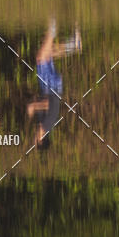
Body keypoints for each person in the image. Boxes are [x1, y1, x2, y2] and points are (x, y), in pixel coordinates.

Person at [26, 19, 82, 150]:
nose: (33, 138)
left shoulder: (43, 125)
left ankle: (73, 44)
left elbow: (45, 105)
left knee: (48, 54)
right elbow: (48, 104)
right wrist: (33, 106)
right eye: (34, 142)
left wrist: (35, 101)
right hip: (51, 88)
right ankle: (53, 24)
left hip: (52, 87)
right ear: (40, 140)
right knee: (41, 58)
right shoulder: (46, 125)